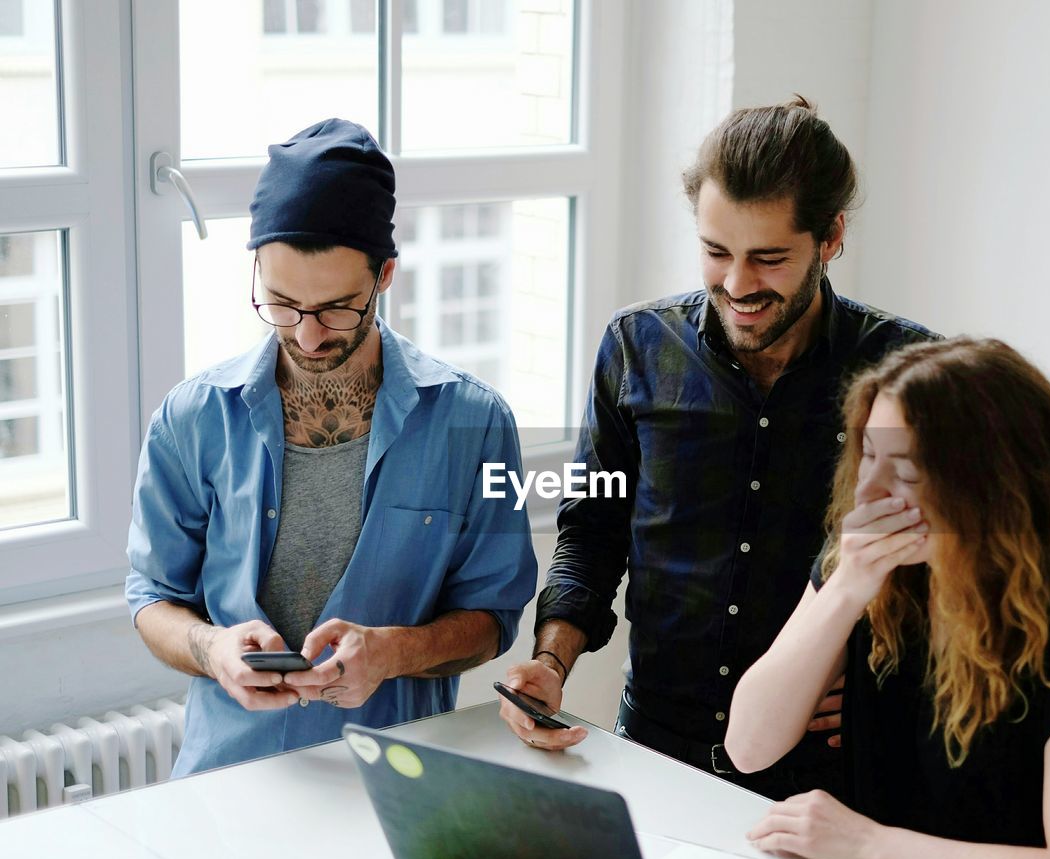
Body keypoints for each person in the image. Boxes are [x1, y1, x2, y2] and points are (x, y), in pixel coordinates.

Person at [498, 96, 938, 800]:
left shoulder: (906, 369)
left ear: (830, 238)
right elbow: (593, 528)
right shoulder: (636, 347)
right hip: (655, 746)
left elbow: (946, 568)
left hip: (830, 771)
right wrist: (551, 661)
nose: (737, 285)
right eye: (716, 253)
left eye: (768, 259)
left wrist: (889, 676)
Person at [126, 119, 537, 776]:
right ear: (256, 269)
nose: (309, 336)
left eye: (338, 309)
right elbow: (152, 595)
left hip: (400, 783)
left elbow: (493, 616)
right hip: (229, 776)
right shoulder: (192, 416)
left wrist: (392, 652)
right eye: (282, 304)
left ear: (386, 276)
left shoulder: (475, 423)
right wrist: (212, 648)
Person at [724, 337, 1050, 859]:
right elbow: (748, 744)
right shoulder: (866, 565)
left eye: (904, 472)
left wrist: (865, 844)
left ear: (986, 485)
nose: (868, 493)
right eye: (867, 455)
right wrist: (846, 588)